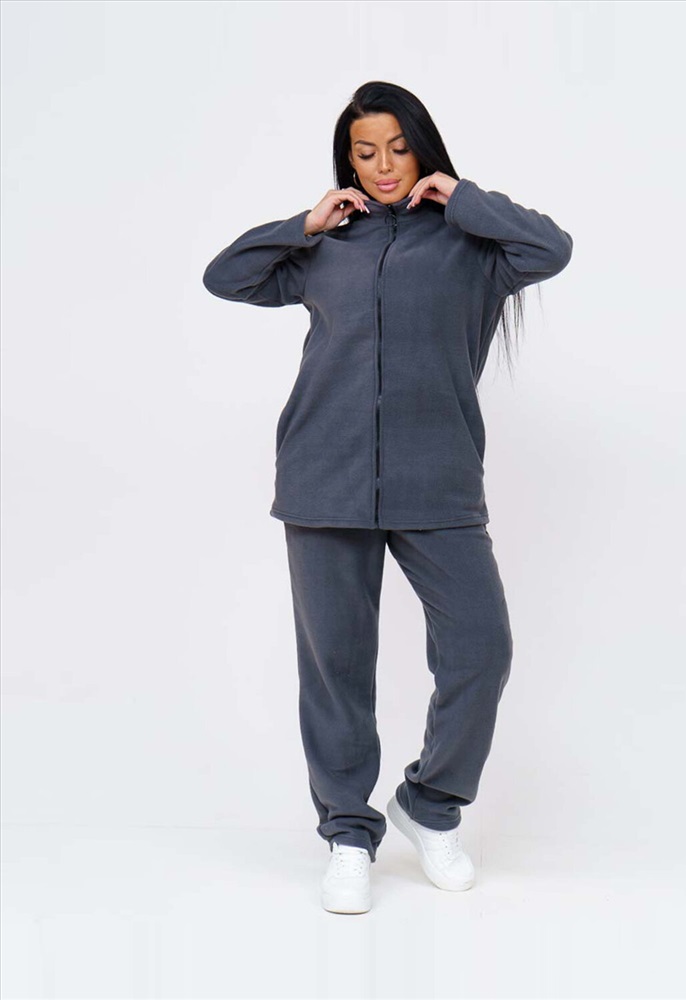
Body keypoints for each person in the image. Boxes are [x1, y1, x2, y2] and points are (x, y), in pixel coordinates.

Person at [203, 81, 573, 914]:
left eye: (398, 149)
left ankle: (431, 804)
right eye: (364, 152)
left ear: (423, 150)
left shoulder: (473, 245)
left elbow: (552, 248)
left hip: (438, 479)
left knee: (481, 648)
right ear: (346, 159)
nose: (381, 166)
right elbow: (225, 276)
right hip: (322, 477)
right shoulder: (327, 245)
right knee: (335, 669)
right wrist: (301, 226)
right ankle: (346, 833)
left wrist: (464, 197)